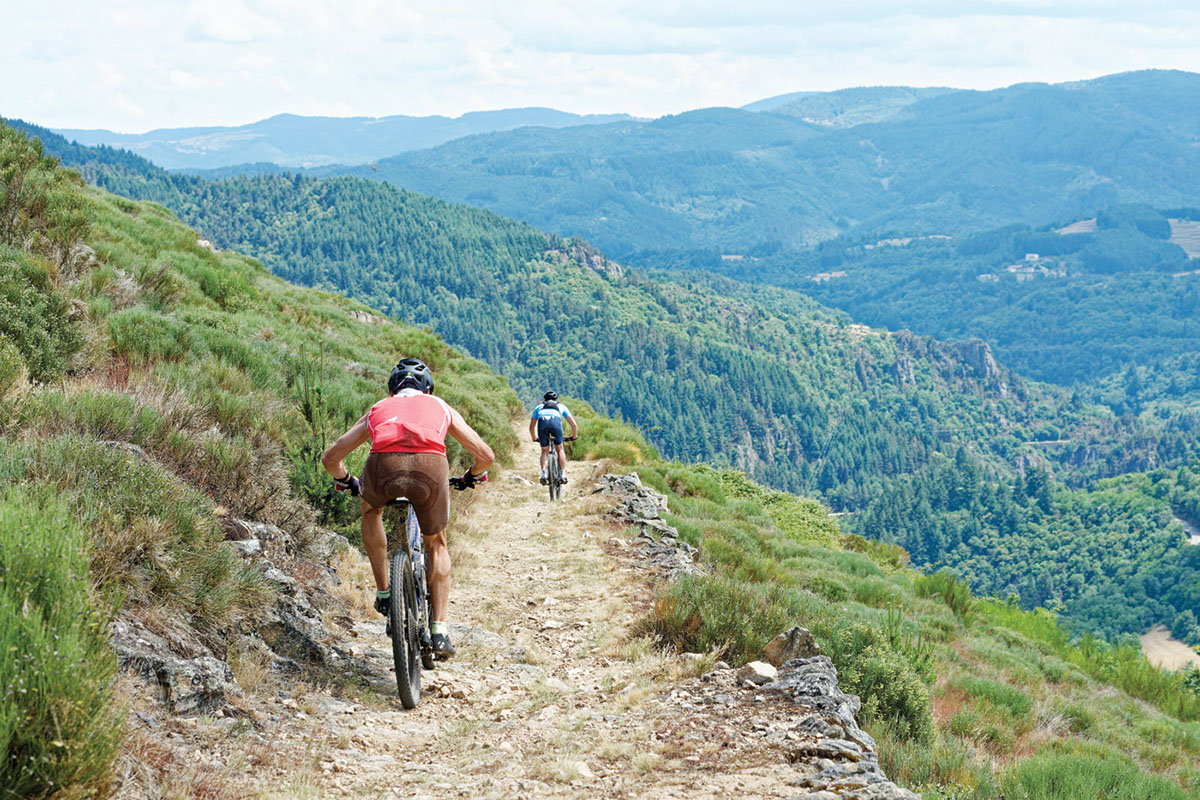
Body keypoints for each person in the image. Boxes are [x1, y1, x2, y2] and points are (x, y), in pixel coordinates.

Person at [321, 357, 494, 660]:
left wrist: (347, 480)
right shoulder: (440, 406)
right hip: (430, 469)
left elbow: (330, 458)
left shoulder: (378, 408)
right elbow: (486, 456)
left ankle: (384, 594)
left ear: (392, 390)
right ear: (428, 389)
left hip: (383, 469)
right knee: (436, 543)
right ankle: (439, 630)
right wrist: (471, 476)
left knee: (371, 511)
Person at [529, 391, 578, 485]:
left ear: (544, 400)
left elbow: (531, 427)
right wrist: (574, 436)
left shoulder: (539, 407)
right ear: (556, 400)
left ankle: (543, 474)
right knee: (560, 449)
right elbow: (574, 425)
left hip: (542, 424)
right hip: (556, 424)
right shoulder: (561, 406)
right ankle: (562, 475)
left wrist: (534, 438)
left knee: (544, 451)